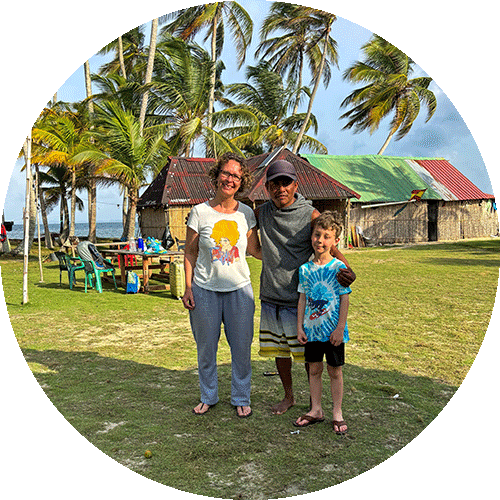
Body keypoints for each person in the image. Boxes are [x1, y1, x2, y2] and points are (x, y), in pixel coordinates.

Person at [257, 159, 355, 415]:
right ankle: (288, 397)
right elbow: (251, 242)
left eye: (286, 183)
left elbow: (330, 248)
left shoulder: (309, 215)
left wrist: (347, 270)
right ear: (267, 187)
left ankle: (315, 405)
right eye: (275, 183)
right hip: (270, 295)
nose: (281, 188)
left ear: (295, 185)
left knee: (308, 357)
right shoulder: (263, 212)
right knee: (280, 353)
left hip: (301, 299)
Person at [182, 152, 262, 418]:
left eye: (236, 176)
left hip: (240, 289)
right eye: (226, 173)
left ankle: (241, 397)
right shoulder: (199, 213)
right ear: (216, 176)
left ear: (242, 182)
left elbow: (256, 250)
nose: (230, 179)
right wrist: (188, 287)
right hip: (204, 290)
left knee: (241, 348)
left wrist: (295, 249)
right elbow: (190, 253)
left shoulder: (247, 214)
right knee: (206, 348)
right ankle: (208, 396)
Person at [294, 212, 351, 434]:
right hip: (312, 331)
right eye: (317, 235)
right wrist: (299, 327)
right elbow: (302, 299)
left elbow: (344, 298)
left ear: (336, 241)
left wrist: (339, 328)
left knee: (334, 371)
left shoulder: (339, 269)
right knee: (314, 370)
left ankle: (337, 412)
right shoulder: (305, 270)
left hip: (333, 333)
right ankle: (316, 409)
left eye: (327, 236)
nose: (321, 240)